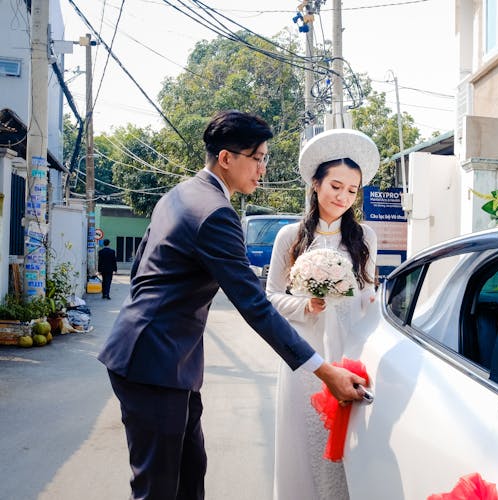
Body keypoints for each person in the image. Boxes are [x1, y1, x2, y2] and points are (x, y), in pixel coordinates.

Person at [97, 111, 366, 500]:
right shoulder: (216, 213)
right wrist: (325, 371)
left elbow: (141, 268)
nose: (263, 169)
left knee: (190, 474)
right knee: (157, 488)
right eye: (257, 158)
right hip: (152, 364)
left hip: (167, 362)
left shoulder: (181, 194)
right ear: (226, 159)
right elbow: (255, 304)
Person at [267, 128, 379, 500]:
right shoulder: (290, 236)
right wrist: (305, 304)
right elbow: (269, 298)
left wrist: (376, 305)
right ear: (315, 184)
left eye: (352, 190)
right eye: (335, 186)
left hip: (349, 351)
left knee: (348, 444)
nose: (343, 197)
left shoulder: (364, 238)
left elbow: (366, 293)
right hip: (305, 354)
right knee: (305, 441)